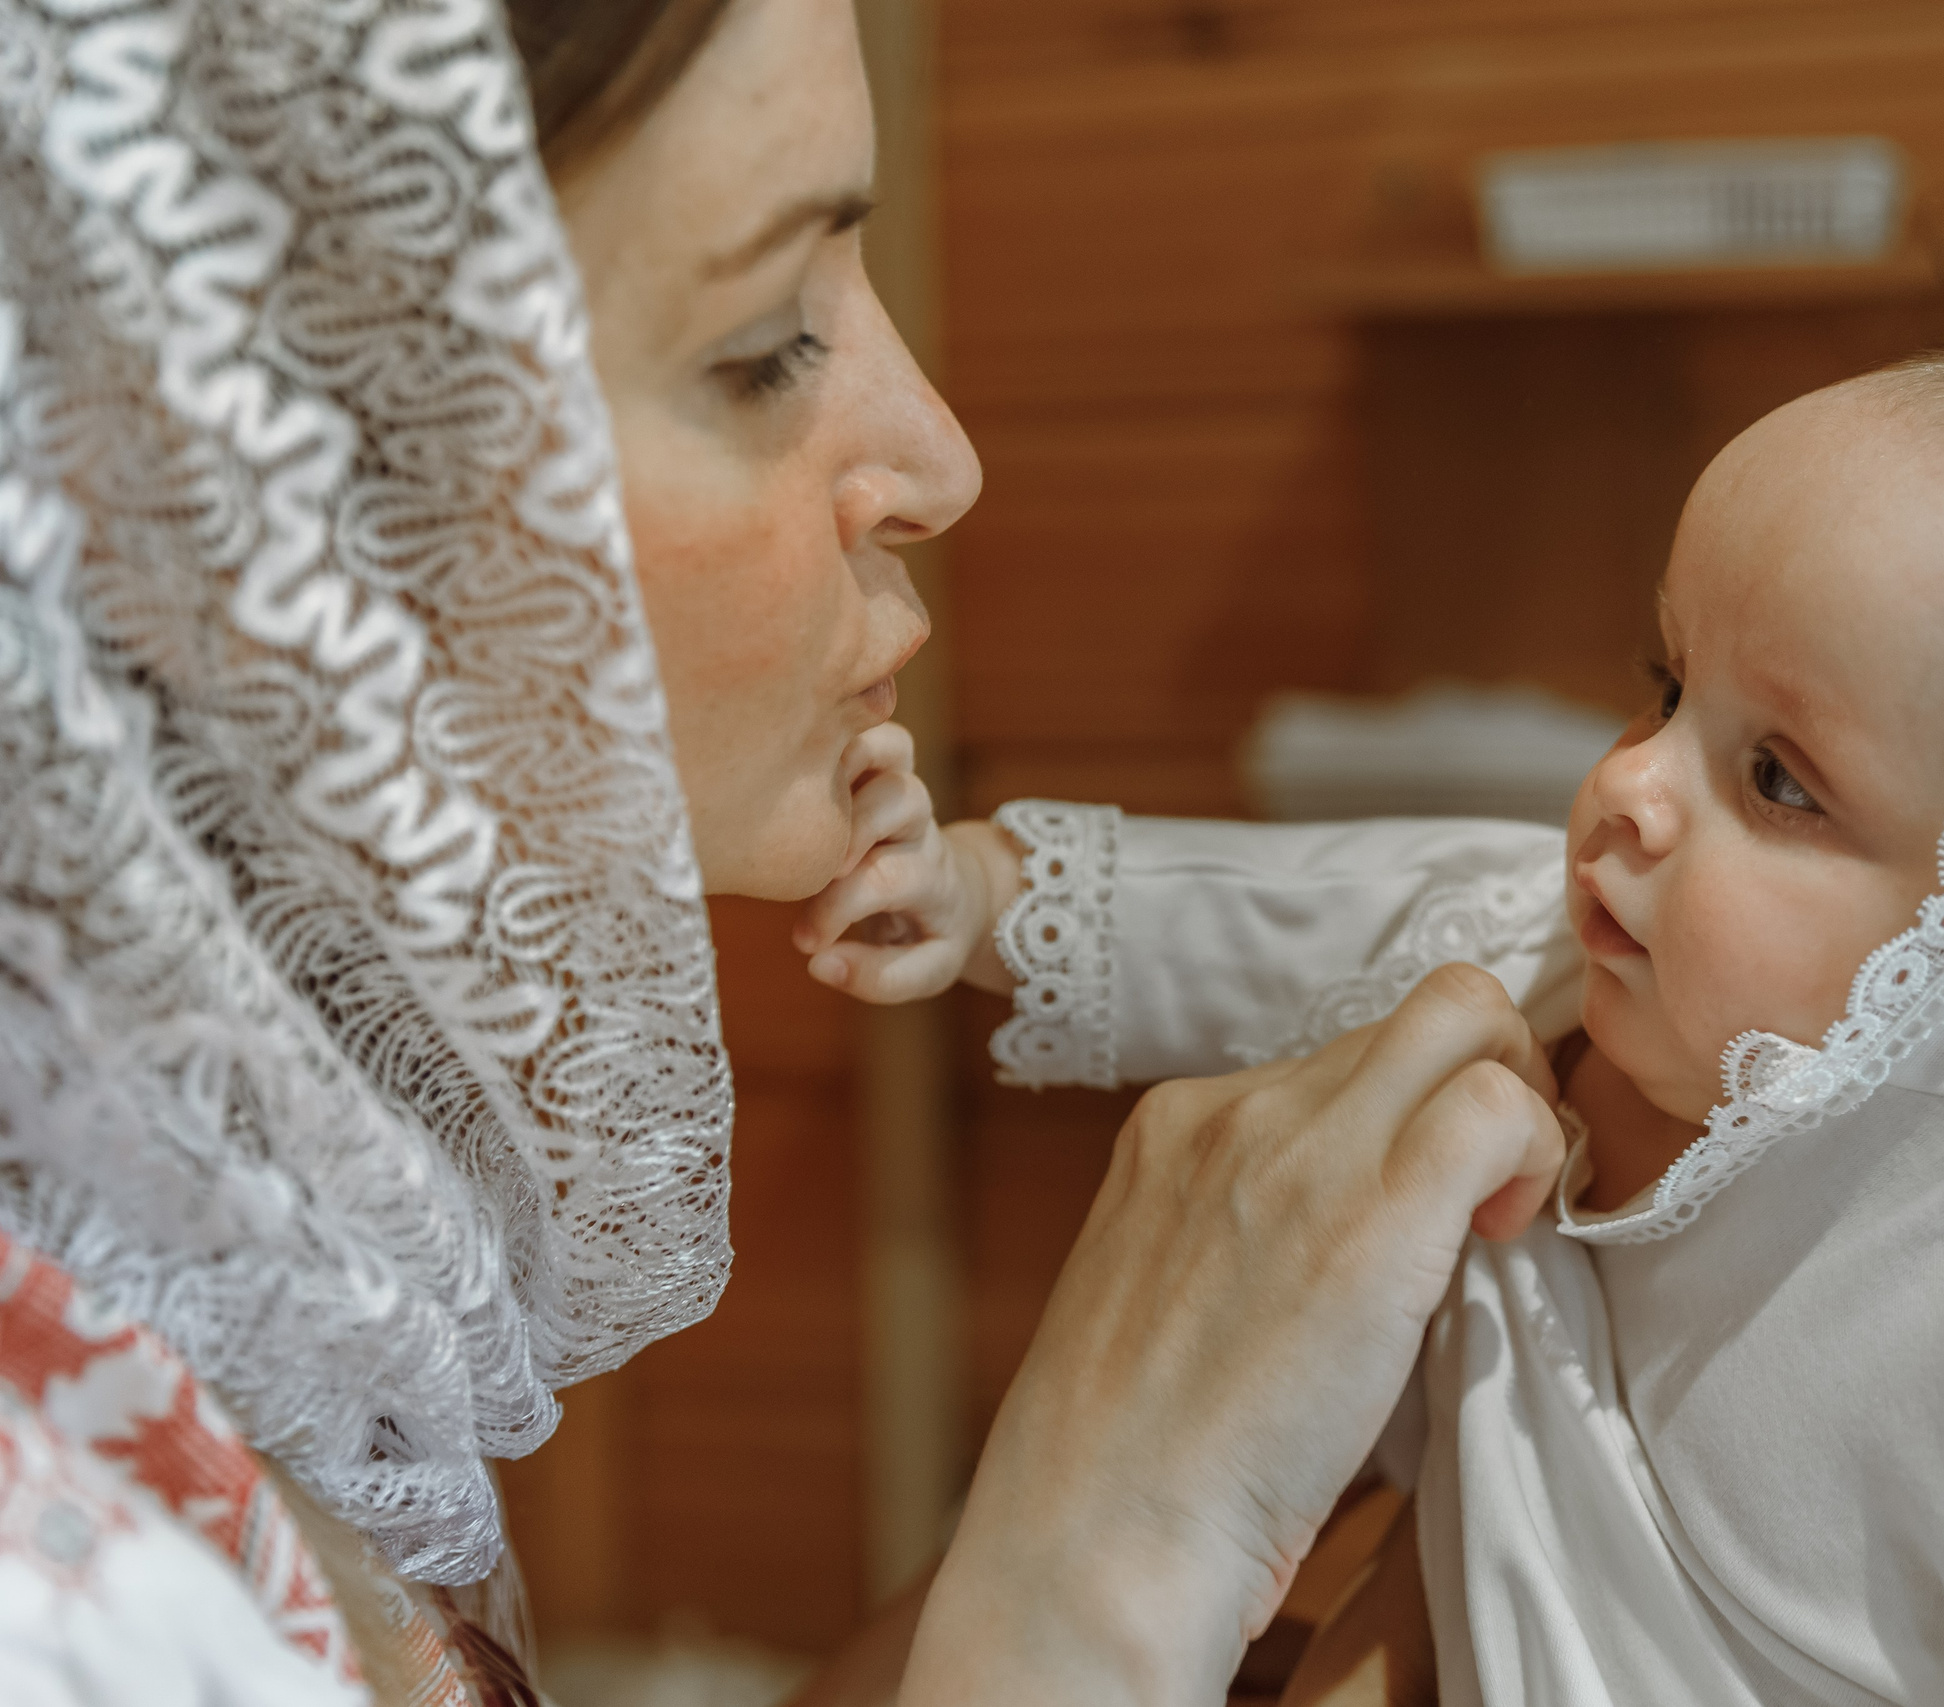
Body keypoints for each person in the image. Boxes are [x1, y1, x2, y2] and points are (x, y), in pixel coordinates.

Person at [0, 0, 1570, 1700]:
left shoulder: (252, 1246)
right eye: (759, 344)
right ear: (228, 492)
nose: (943, 463)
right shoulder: (54, 1590)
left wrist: (1123, 1472)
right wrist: (1096, 1569)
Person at [810, 331, 1944, 1702]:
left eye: (1778, 779)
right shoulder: (1556, 969)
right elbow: (1289, 916)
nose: (1631, 786)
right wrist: (980, 895)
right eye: (1666, 685)